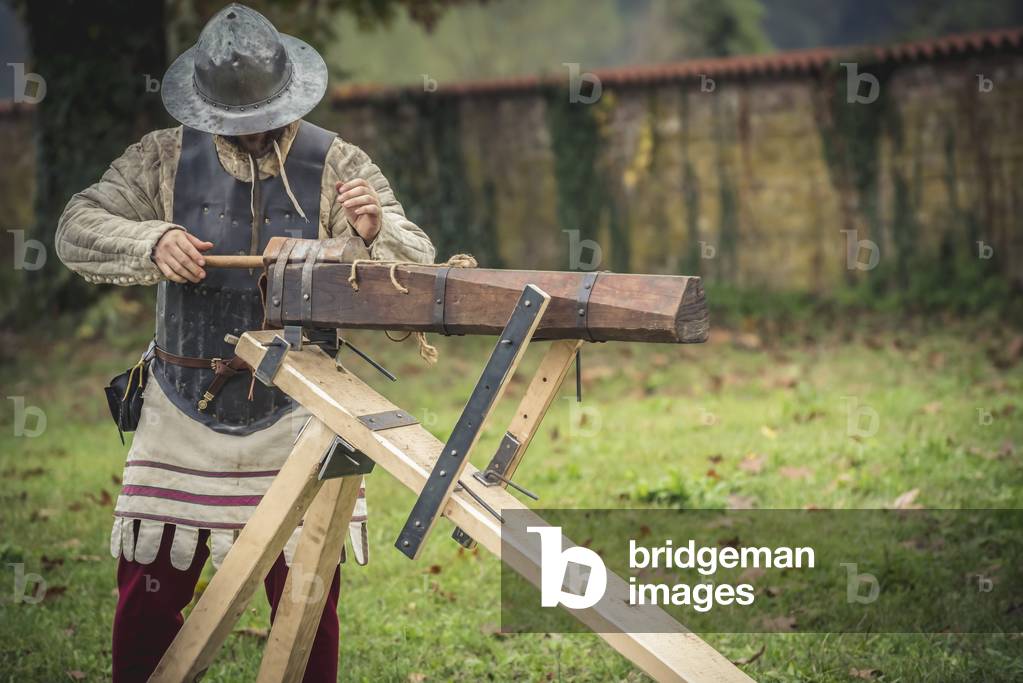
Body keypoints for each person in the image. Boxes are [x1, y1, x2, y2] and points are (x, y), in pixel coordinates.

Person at [55, 4, 434, 681]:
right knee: (146, 598)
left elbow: (416, 270)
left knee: (306, 604)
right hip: (179, 412)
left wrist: (374, 233)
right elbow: (76, 225)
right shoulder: (162, 157)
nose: (253, 130)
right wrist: (153, 239)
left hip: (299, 416)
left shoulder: (339, 163)